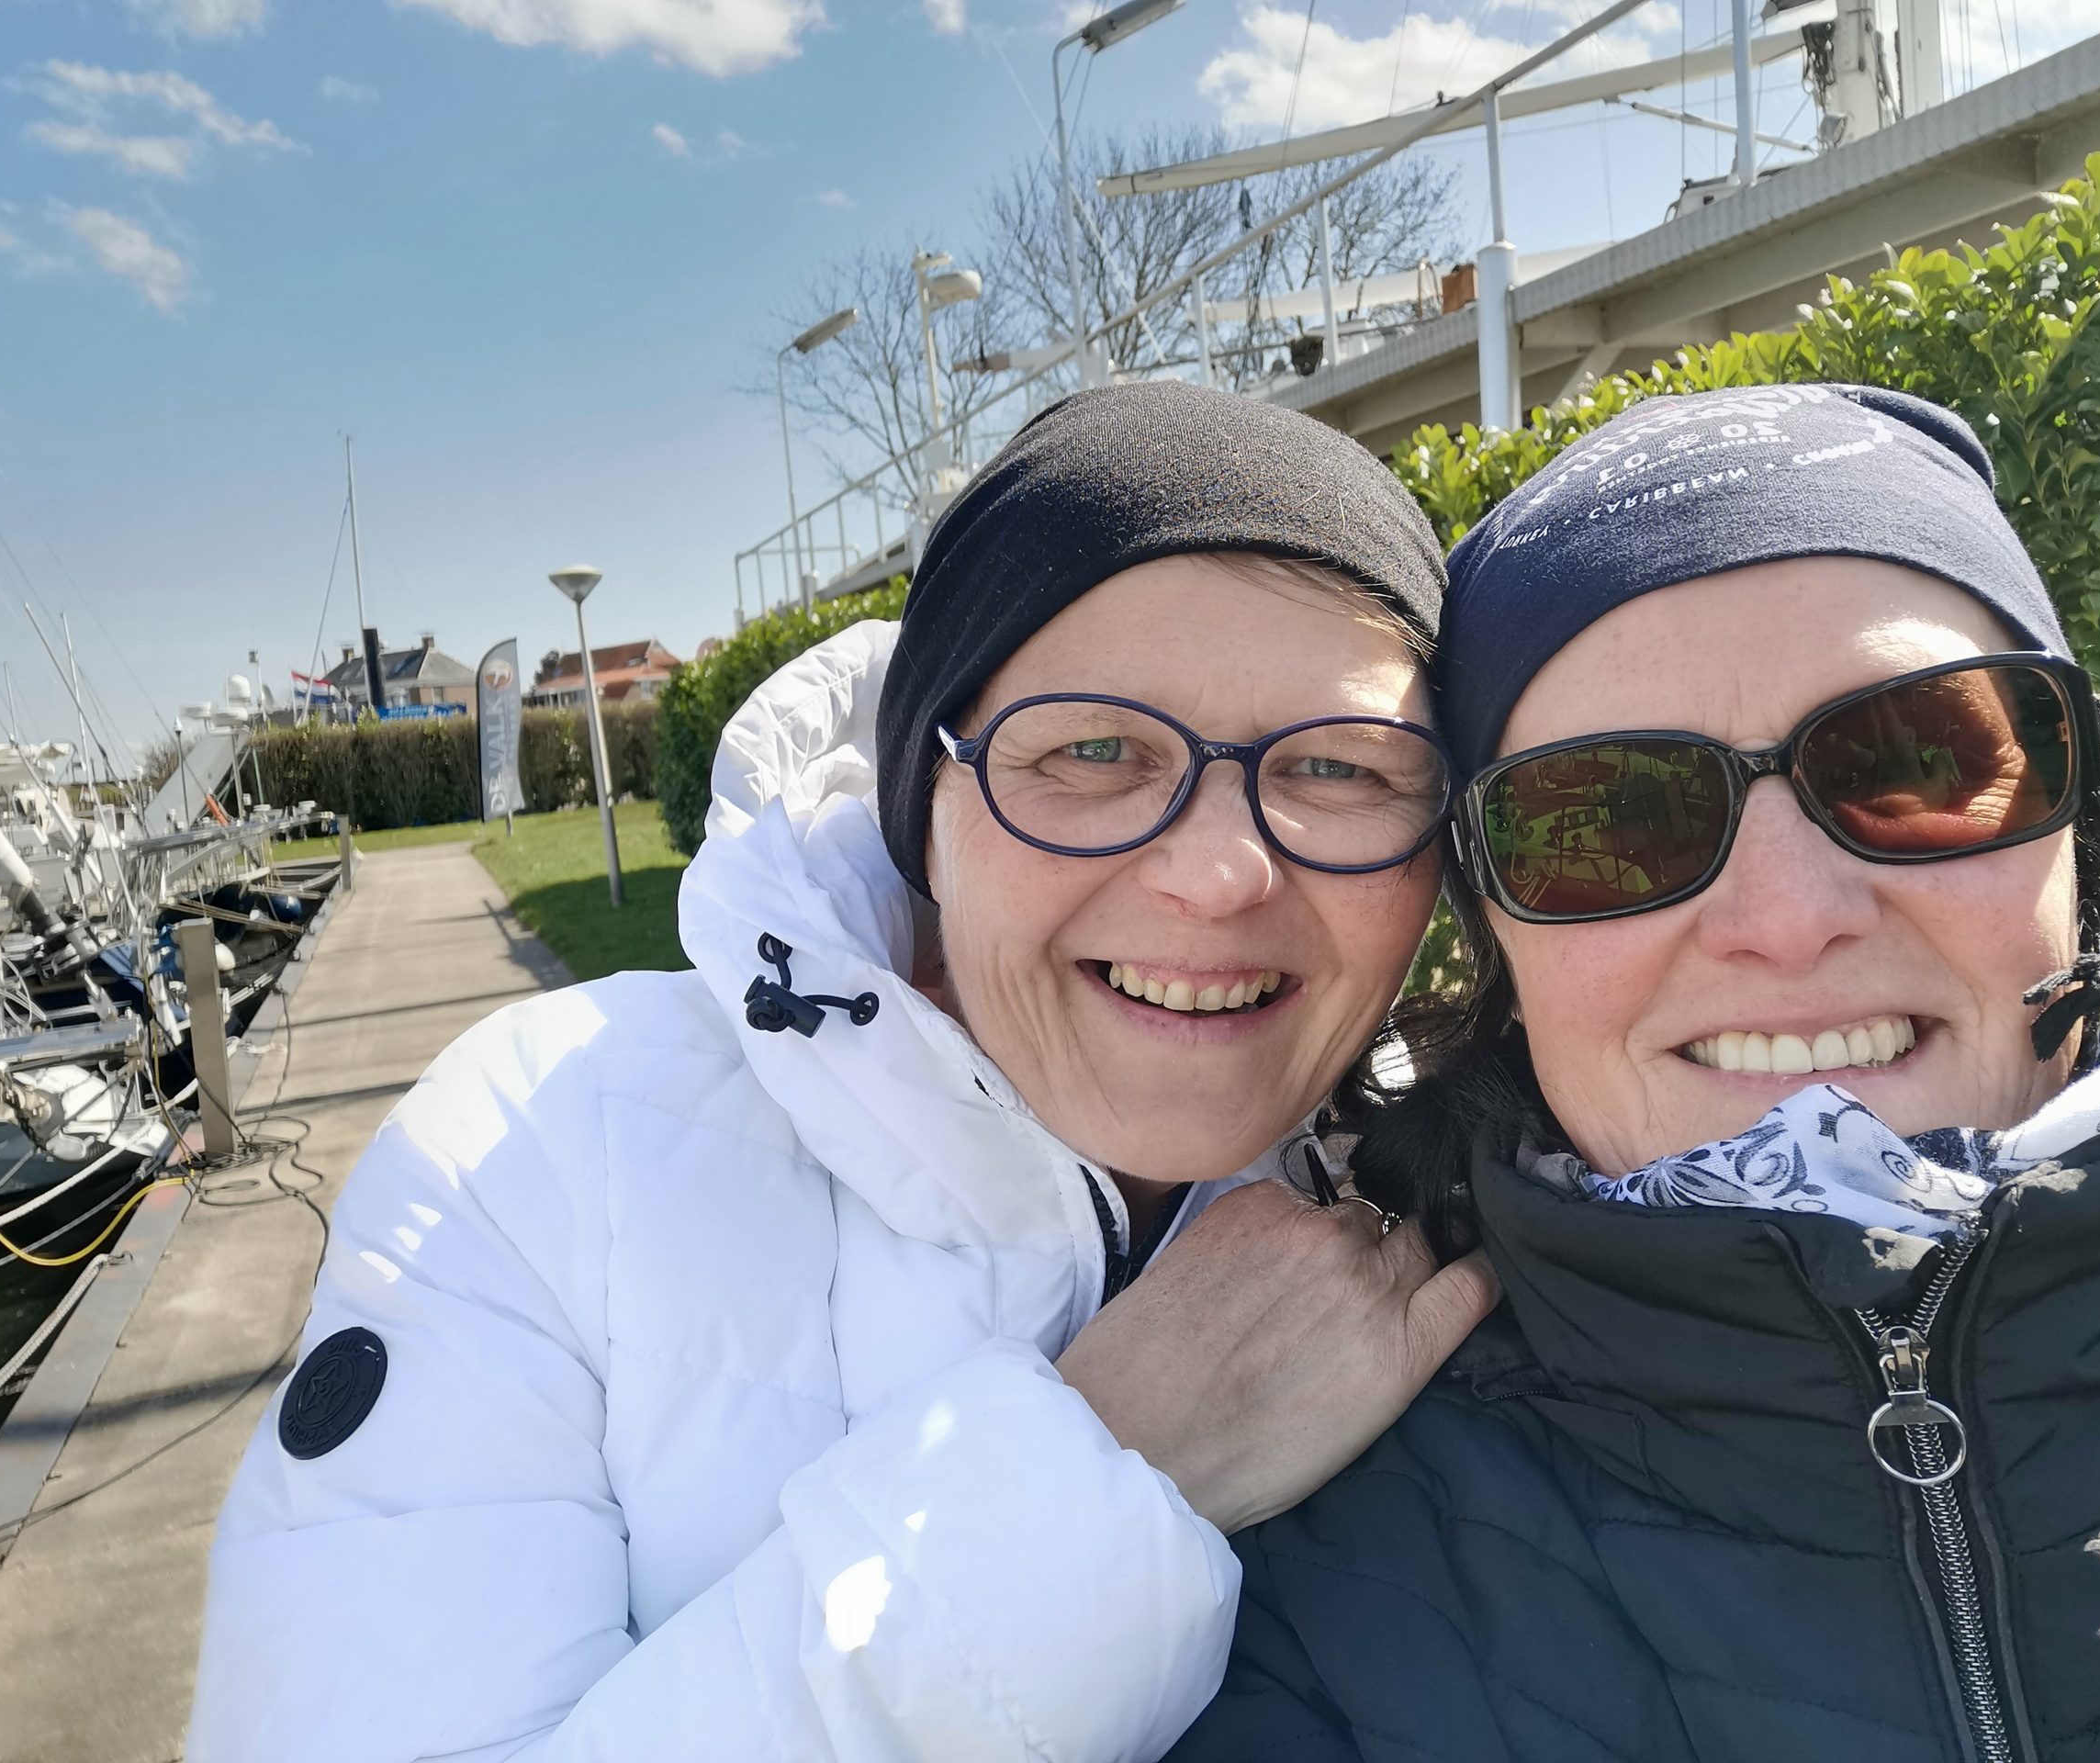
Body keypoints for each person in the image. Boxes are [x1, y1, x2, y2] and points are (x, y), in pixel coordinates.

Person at [185, 379, 1496, 1763]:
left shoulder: (1492, 1187)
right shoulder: (537, 1156)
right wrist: (1106, 1465)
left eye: (1343, 771)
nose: (1221, 874)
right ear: (925, 807)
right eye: (1096, 750)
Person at [1171, 384, 2100, 1763]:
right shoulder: (1295, 1599)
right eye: (1607, 819)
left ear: (2073, 815)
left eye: (1919, 763)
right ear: (1488, 926)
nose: (1787, 918)